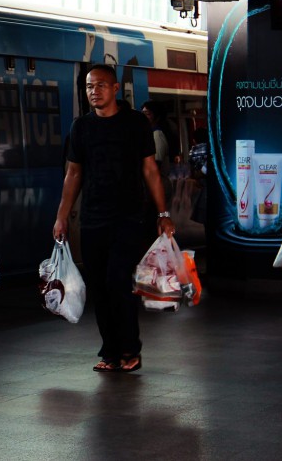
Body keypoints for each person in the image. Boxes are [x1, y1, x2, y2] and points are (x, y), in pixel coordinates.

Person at [53, 65, 175, 373]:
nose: (94, 91)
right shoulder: (81, 127)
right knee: (99, 287)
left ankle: (130, 350)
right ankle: (110, 352)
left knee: (117, 280)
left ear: (116, 88)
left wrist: (163, 213)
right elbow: (74, 173)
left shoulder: (135, 123)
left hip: (130, 217)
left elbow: (150, 170)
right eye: (90, 87)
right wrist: (62, 217)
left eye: (101, 86)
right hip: (93, 218)